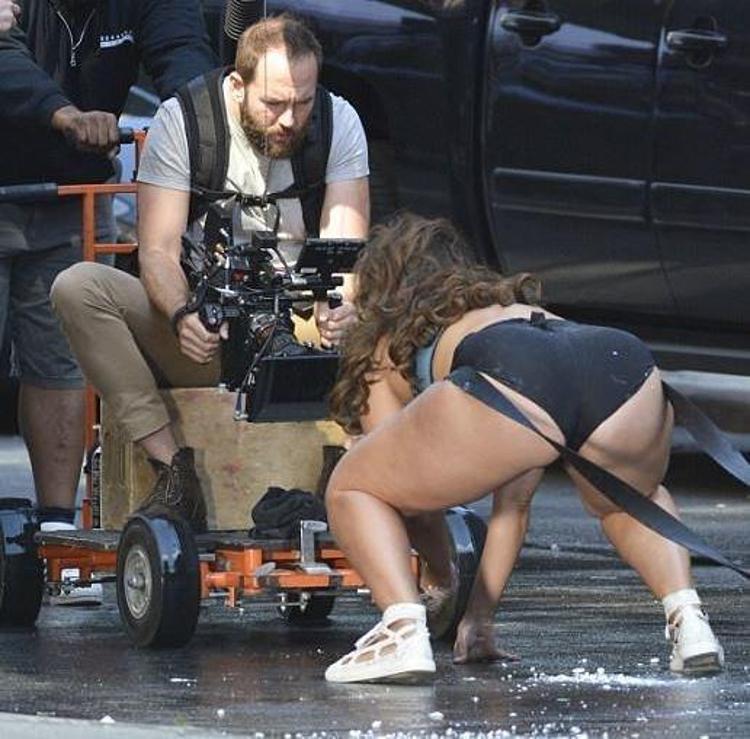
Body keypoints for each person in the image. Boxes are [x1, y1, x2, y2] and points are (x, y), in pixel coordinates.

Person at [322, 212, 725, 683]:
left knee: (353, 485)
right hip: (615, 359)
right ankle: (690, 622)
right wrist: (478, 619)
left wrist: (440, 583)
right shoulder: (501, 308)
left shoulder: (387, 345)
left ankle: (401, 633)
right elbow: (512, 505)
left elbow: (408, 503)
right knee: (633, 501)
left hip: (515, 375)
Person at [51, 15, 370, 534]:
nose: (290, 120)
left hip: (299, 327)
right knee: (79, 287)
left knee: (397, 301)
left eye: (303, 103)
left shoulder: (339, 121)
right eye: (274, 104)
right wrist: (182, 314)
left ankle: (346, 470)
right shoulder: (186, 119)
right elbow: (157, 251)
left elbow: (345, 248)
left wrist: (342, 306)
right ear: (238, 86)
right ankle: (174, 472)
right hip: (209, 326)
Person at [0, 0, 217, 604]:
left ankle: (56, 529)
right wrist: (64, 114)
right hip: (16, 171)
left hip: (70, 191)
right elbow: (4, 52)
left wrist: (204, 117)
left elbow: (183, 54)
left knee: (60, 360)